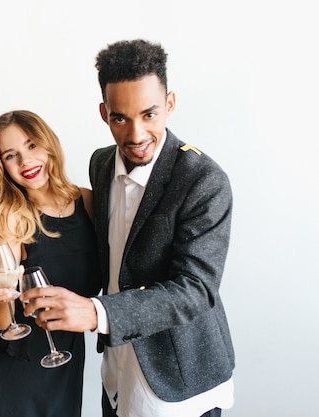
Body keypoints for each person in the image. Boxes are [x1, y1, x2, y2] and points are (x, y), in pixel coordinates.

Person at [21, 39, 235, 417]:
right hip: (117, 372)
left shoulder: (204, 180)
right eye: (120, 118)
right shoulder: (101, 164)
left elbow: (196, 290)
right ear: (104, 113)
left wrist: (96, 313)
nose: (136, 134)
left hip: (180, 381)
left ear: (169, 104)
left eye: (149, 114)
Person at [0, 110, 102, 417]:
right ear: (3, 166)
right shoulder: (9, 217)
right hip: (11, 371)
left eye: (32, 145)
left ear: (48, 145)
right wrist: (0, 297)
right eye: (11, 155)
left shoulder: (88, 202)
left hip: (64, 364)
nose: (25, 162)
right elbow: (0, 320)